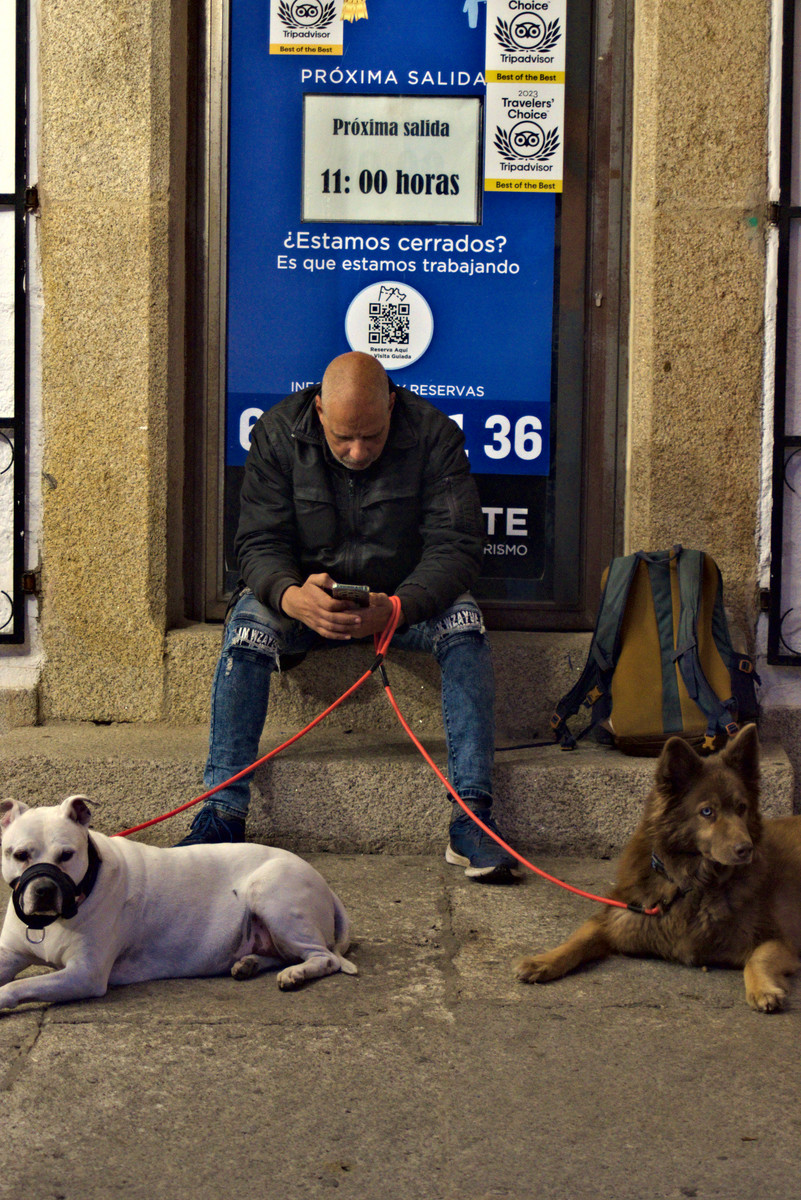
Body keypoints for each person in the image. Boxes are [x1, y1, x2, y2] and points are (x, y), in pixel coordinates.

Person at [178, 351, 521, 882]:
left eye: (372, 436)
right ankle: (223, 810)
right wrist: (290, 596)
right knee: (246, 626)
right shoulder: (275, 433)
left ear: (391, 405)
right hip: (303, 602)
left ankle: (472, 816)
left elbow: (457, 547)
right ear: (318, 410)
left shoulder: (435, 435)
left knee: (464, 624)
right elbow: (255, 542)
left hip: (400, 604)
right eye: (343, 438)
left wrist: (399, 606)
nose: (358, 451)